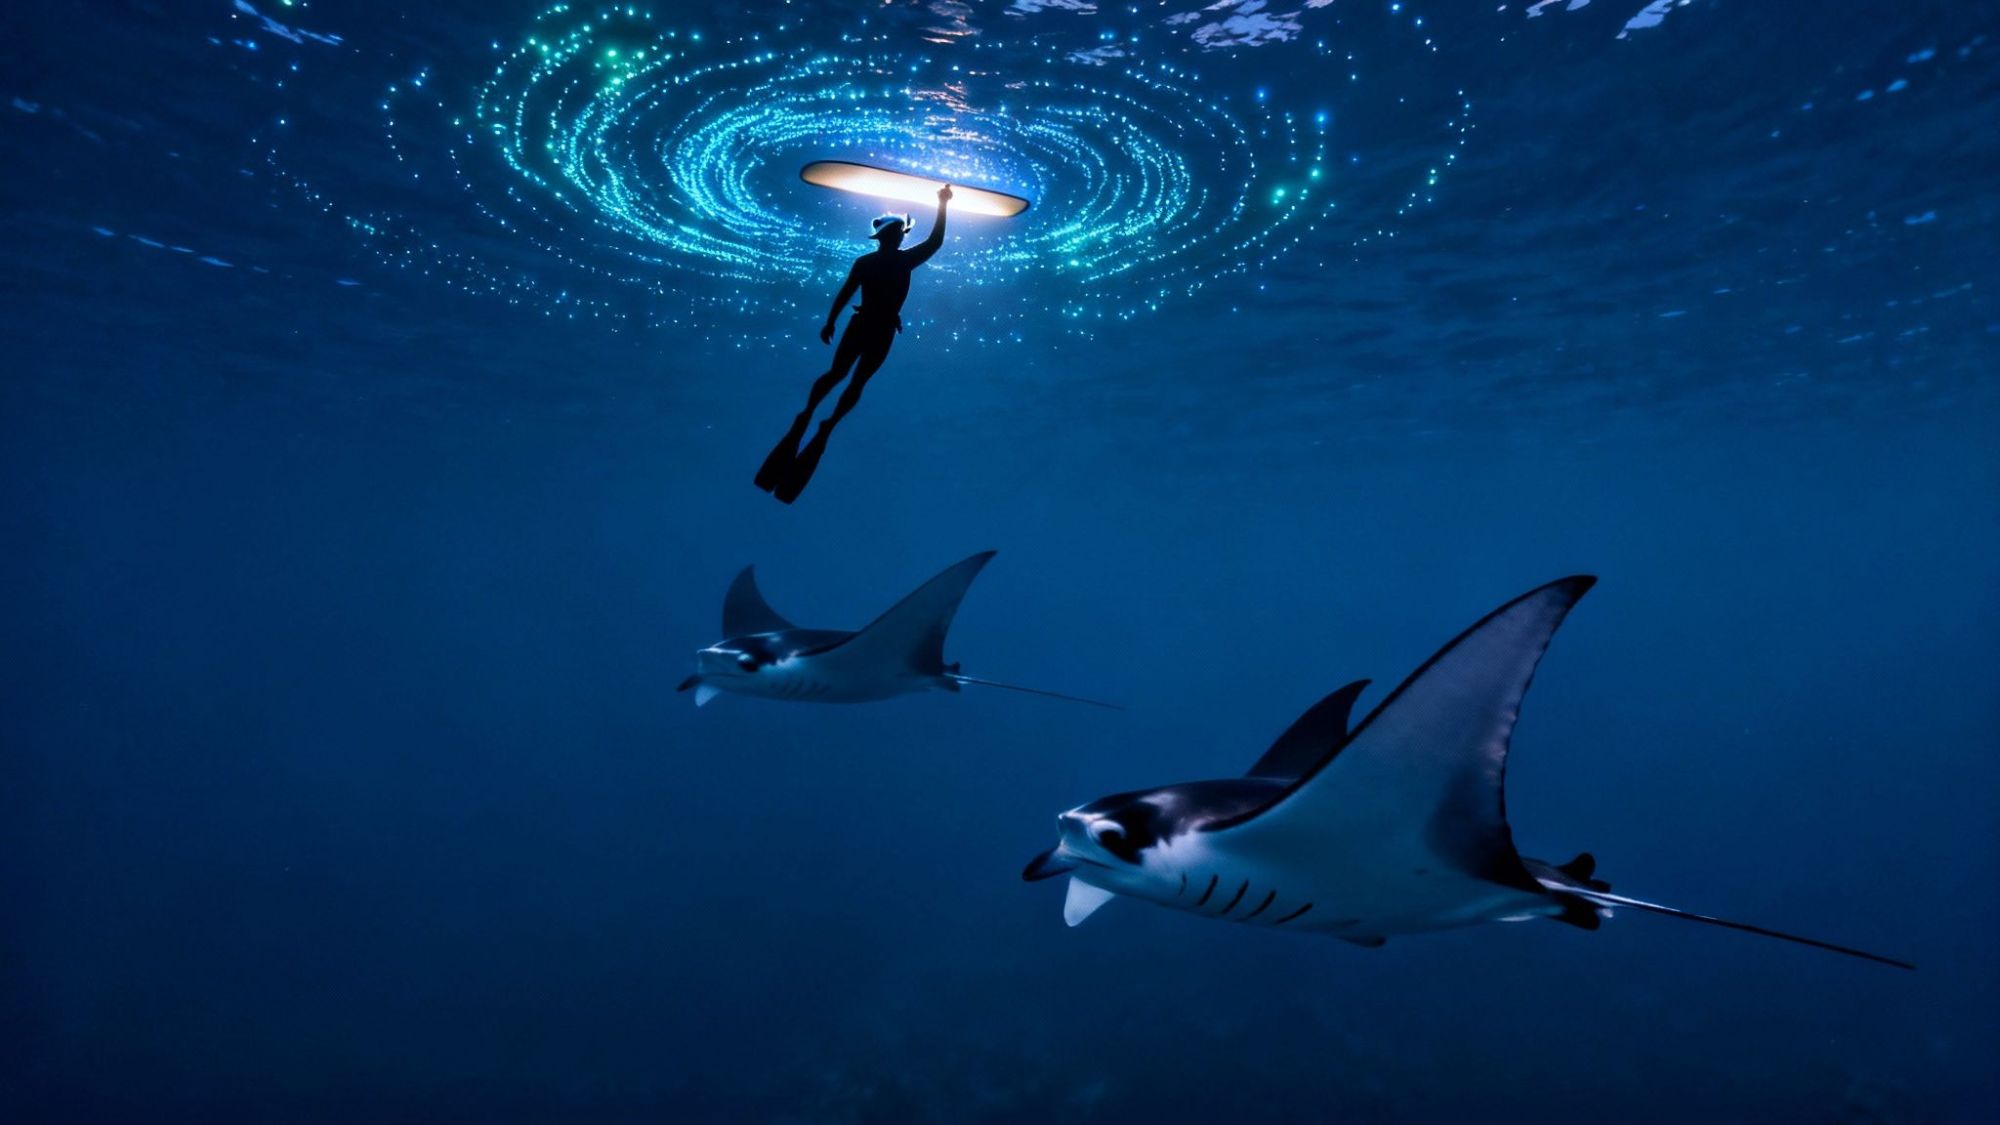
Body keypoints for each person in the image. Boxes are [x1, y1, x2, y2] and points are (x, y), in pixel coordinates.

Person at [756, 184, 953, 503]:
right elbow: (936, 241)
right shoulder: (900, 262)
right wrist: (943, 204)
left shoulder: (868, 263)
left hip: (867, 325)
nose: (903, 236)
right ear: (894, 236)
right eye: (901, 232)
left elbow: (846, 292)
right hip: (875, 327)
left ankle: (815, 418)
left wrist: (831, 320)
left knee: (843, 375)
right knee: (851, 379)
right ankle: (819, 420)